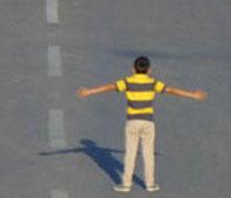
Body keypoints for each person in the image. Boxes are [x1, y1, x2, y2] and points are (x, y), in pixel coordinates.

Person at [77, 56, 207, 194]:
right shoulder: (153, 83)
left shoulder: (127, 82)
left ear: (133, 69)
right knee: (148, 153)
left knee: (130, 153)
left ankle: (126, 185)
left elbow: (110, 87)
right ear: (149, 70)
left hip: (132, 122)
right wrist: (193, 95)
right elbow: (170, 90)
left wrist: (89, 91)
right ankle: (150, 184)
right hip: (148, 123)